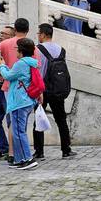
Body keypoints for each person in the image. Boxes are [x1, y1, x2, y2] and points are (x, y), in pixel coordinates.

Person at [0, 17, 28, 161]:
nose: (1, 36)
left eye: (4, 34)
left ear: (13, 33)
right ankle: (5, 149)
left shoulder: (9, 45)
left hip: (11, 87)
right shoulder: (9, 46)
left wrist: (0, 71)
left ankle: (14, 152)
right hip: (1, 87)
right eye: (0, 33)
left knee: (12, 122)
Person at [0, 36, 40, 170]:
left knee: (18, 132)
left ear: (20, 51)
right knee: (18, 131)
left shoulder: (21, 63)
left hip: (20, 102)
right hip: (26, 101)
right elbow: (14, 75)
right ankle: (20, 159)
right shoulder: (31, 62)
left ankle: (27, 159)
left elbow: (8, 76)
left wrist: (1, 65)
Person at [31, 23, 73, 160]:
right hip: (57, 88)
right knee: (61, 120)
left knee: (38, 119)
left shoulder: (37, 50)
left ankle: (39, 151)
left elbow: (37, 70)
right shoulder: (61, 49)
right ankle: (66, 149)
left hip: (43, 89)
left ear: (43, 34)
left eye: (38, 34)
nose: (38, 36)